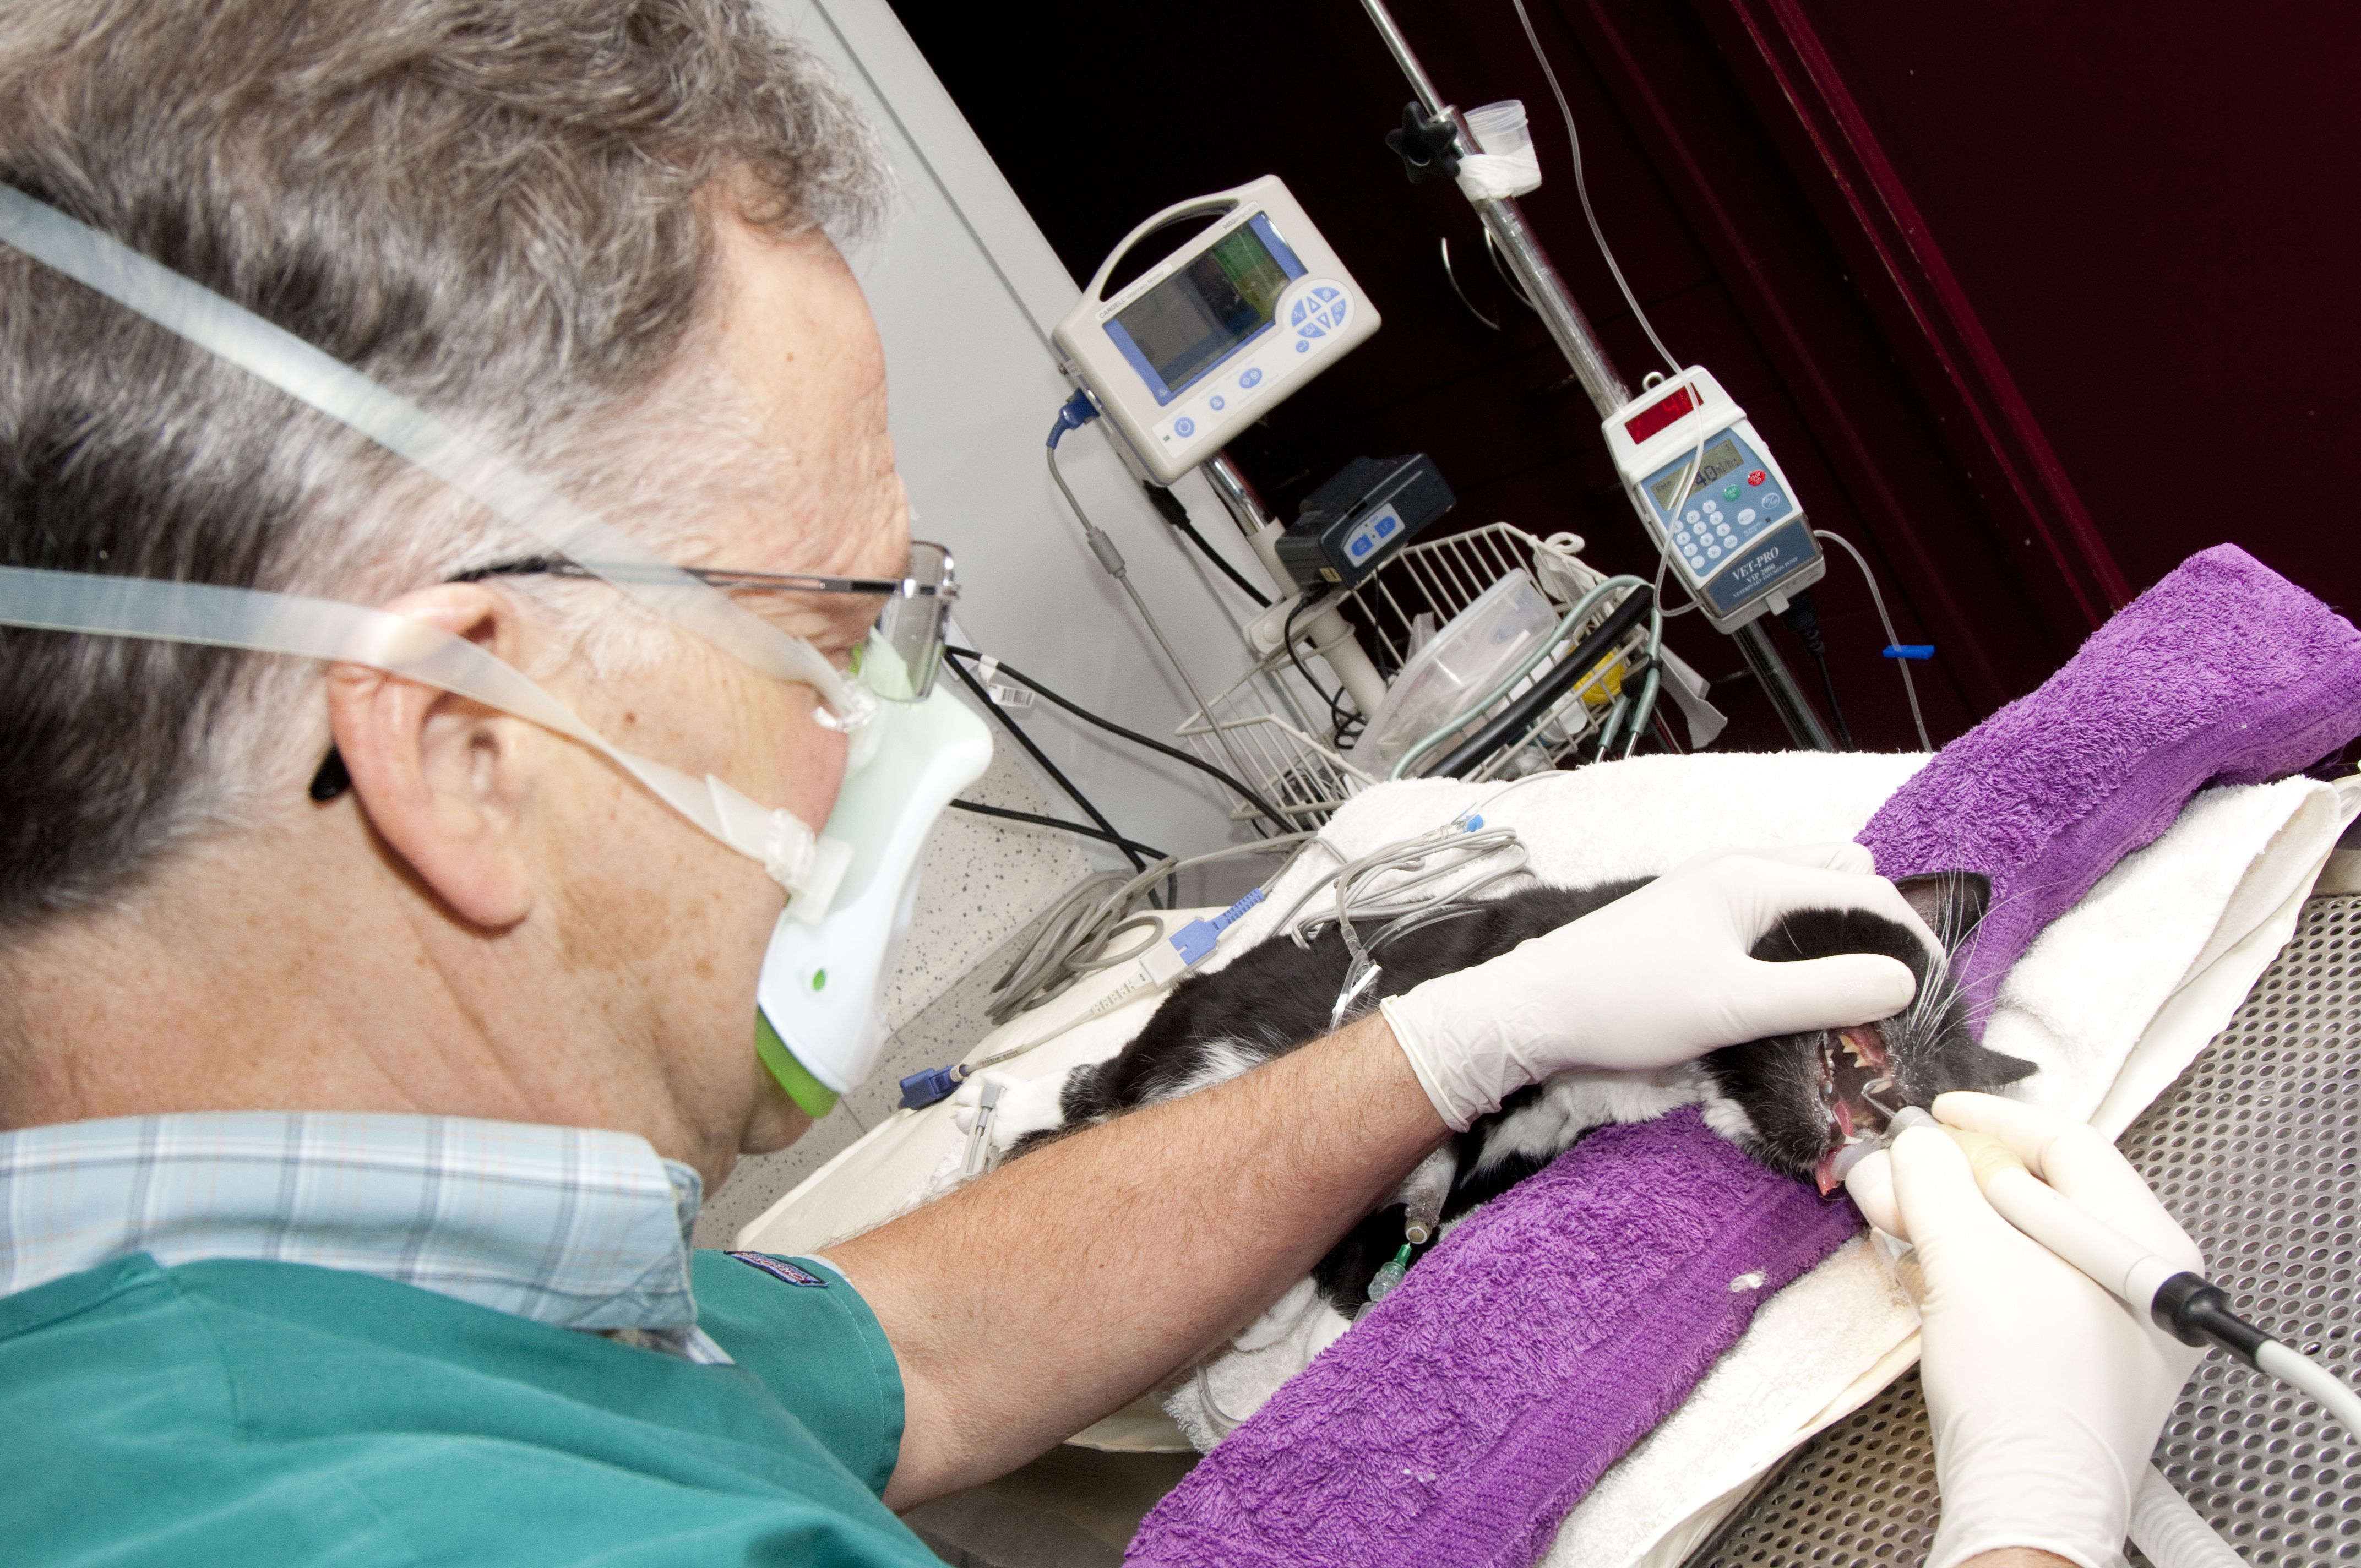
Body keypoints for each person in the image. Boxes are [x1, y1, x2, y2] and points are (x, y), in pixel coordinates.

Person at [0, 3, 2201, 1565]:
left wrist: (1468, 1030)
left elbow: (902, 1351)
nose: (897, 729)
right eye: (839, 633)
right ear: (463, 748)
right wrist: (2019, 1521)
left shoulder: (299, 1284)